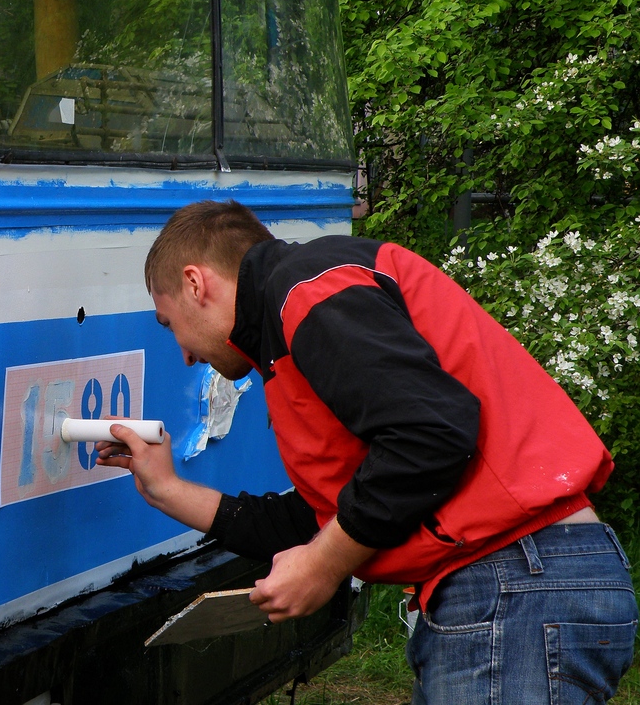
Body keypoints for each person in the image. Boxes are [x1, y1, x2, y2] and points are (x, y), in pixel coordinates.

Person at [96, 199, 638, 704]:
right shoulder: (292, 319)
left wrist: (324, 563)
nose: (184, 354)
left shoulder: (306, 290)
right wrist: (166, 490)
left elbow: (432, 431)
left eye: (169, 325)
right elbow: (328, 519)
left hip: (515, 584)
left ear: (195, 283)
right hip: (520, 581)